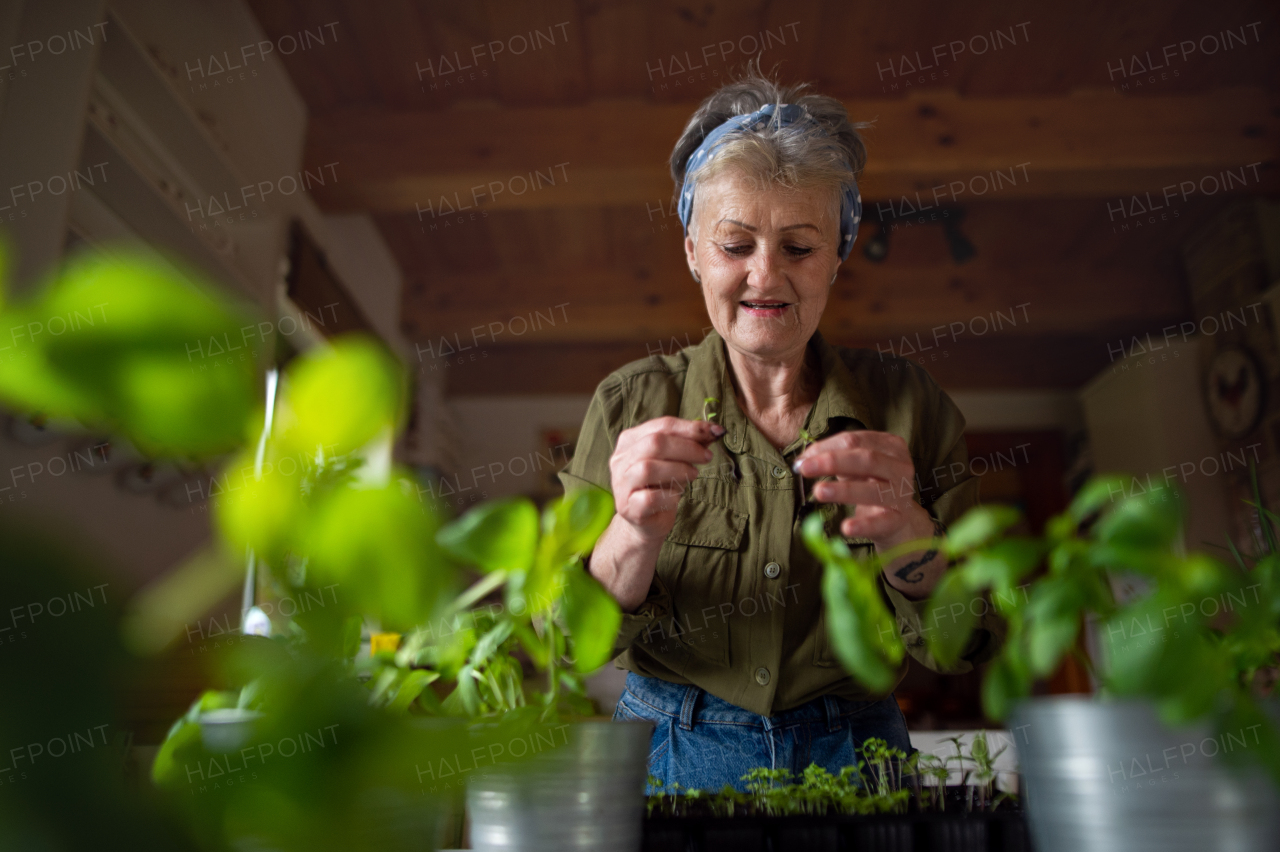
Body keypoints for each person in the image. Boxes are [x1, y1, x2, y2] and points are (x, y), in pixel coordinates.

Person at [558, 70, 1003, 792]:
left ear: (837, 257)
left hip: (859, 752)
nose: (766, 276)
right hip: (669, 749)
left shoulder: (910, 406)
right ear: (693, 252)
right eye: (736, 245)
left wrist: (907, 534)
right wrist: (632, 534)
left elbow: (971, 642)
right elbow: (563, 644)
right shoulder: (627, 403)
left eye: (798, 248)